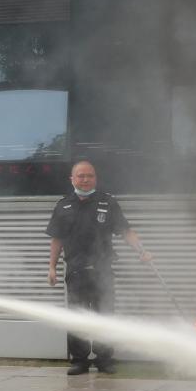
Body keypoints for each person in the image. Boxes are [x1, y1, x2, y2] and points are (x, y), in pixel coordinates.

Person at [45, 160, 152, 375]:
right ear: (72, 179)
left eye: (90, 175)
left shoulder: (108, 203)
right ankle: (80, 360)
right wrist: (52, 267)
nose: (86, 179)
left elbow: (125, 231)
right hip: (75, 271)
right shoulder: (63, 206)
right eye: (81, 176)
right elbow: (56, 239)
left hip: (103, 270)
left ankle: (104, 359)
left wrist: (142, 250)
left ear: (96, 178)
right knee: (78, 316)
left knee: (104, 314)